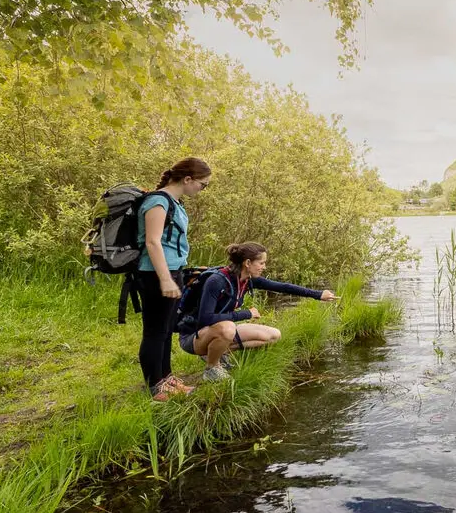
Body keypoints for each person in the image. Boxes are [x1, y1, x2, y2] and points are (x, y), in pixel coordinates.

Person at [180, 242, 338, 381]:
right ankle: (212, 369)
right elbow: (205, 319)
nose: (264, 267)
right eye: (261, 263)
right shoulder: (217, 281)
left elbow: (283, 287)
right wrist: (246, 313)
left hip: (218, 330)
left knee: (273, 335)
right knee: (228, 327)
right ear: (248, 263)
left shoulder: (247, 280)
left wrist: (318, 295)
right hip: (193, 337)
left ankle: (216, 352)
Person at [136, 157, 212, 401]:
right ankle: (155, 388)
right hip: (154, 274)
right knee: (155, 332)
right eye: (203, 184)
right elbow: (152, 242)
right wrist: (165, 280)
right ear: (187, 179)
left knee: (167, 329)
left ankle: (167, 379)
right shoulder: (158, 201)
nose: (202, 189)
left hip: (173, 271)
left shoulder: (175, 203)